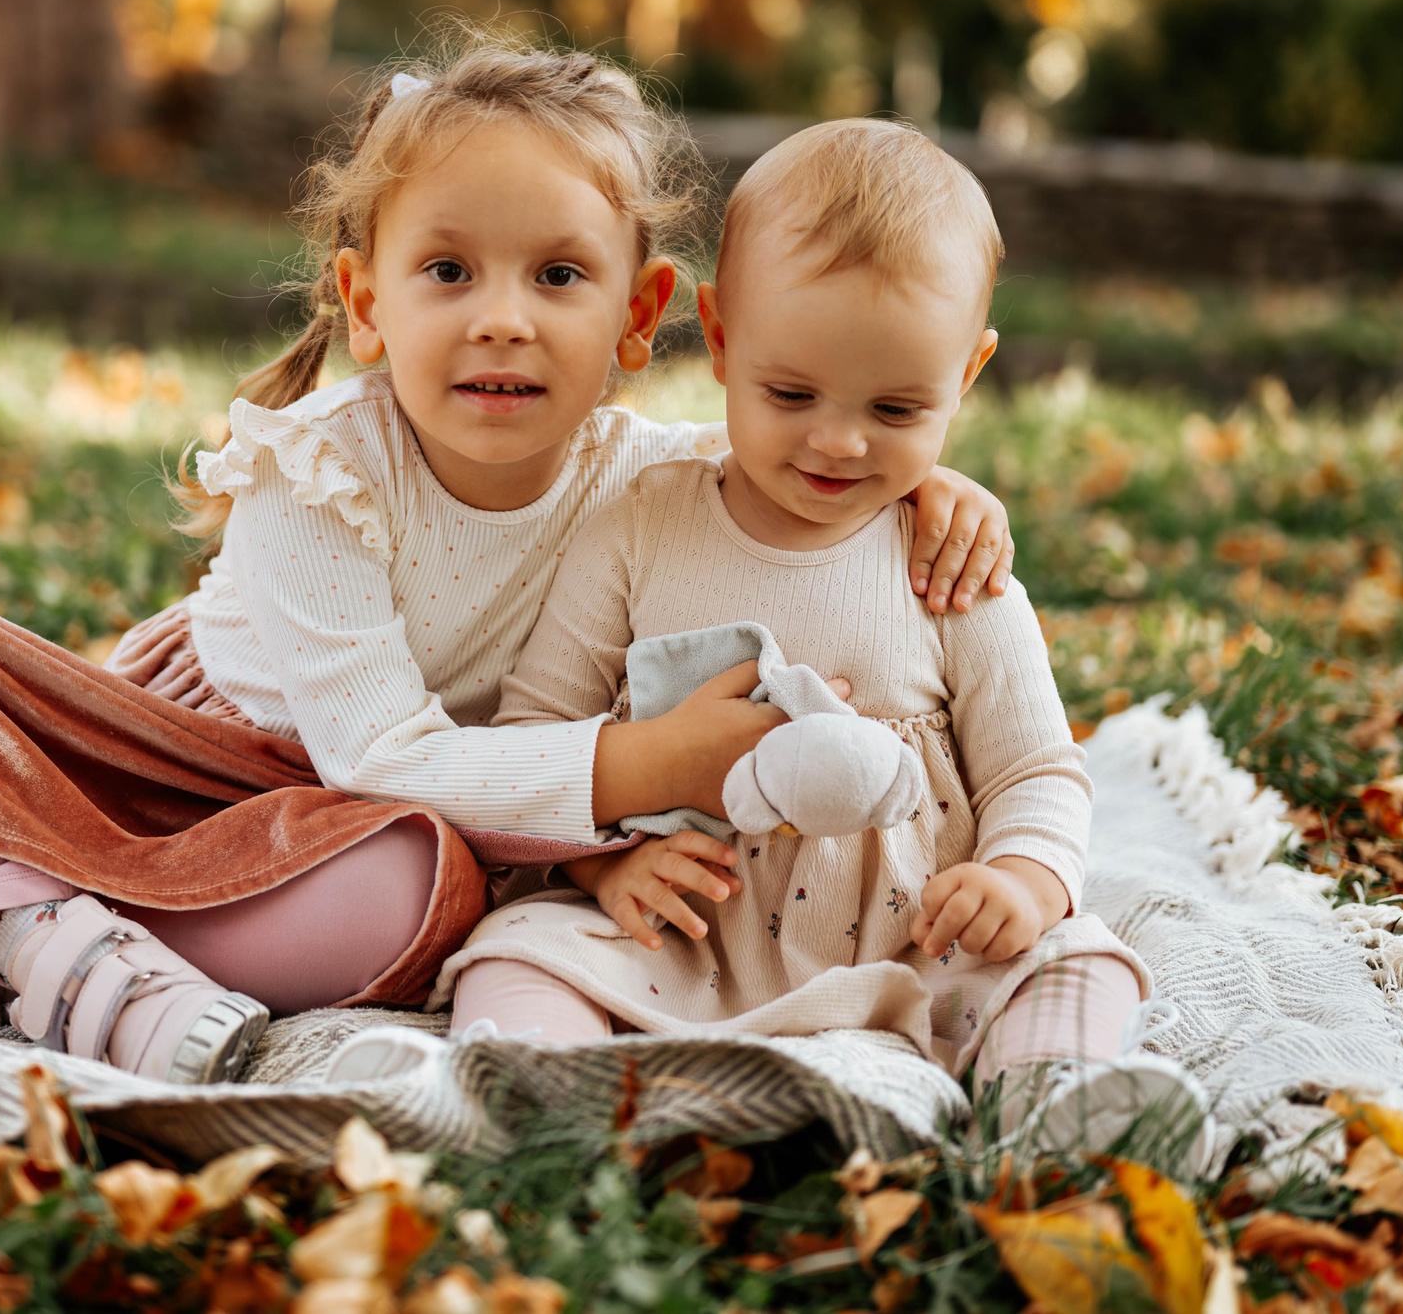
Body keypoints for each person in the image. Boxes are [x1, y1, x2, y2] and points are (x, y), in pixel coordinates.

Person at [0, 41, 1019, 1086]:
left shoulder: (648, 474)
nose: (503, 318)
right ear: (368, 302)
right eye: (448, 270)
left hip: (352, 837)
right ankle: (37, 930)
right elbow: (375, 748)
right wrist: (648, 769)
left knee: (424, 890)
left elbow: (807, 449)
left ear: (641, 313)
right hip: (165, 770)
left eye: (559, 276)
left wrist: (925, 482)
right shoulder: (317, 473)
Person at [337, 119, 1205, 1161]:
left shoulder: (952, 563)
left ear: (967, 374)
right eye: (789, 394)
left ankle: (1055, 1096)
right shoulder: (638, 528)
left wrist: (1021, 881)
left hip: (914, 937)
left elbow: (1037, 769)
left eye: (897, 408)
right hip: (682, 936)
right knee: (516, 949)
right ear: (717, 337)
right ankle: (532, 1094)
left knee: (1080, 955)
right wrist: (604, 873)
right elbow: (539, 733)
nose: (837, 441)